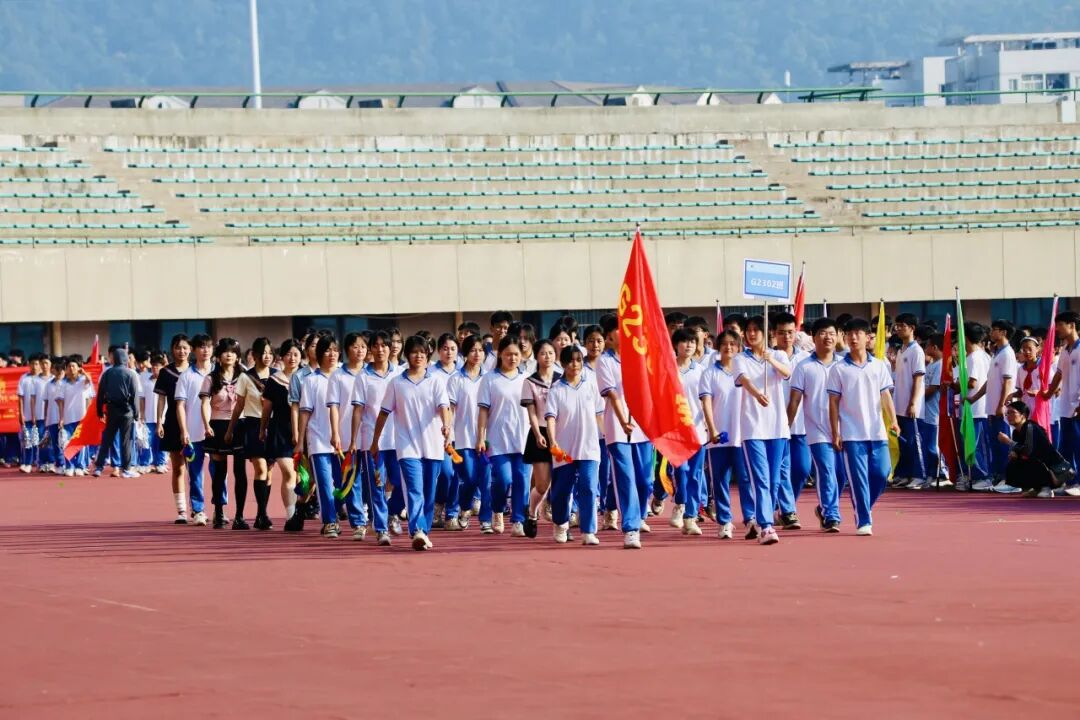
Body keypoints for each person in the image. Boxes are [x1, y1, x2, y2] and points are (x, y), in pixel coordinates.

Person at [370, 335, 452, 551]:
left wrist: (446, 426)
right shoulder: (396, 383)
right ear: (407, 355)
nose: (418, 356)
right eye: (414, 352)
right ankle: (417, 530)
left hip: (432, 445)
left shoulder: (435, 381)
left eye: (422, 353)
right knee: (415, 489)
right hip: (407, 445)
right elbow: (383, 413)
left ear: (428, 356)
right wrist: (375, 441)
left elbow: (444, 407)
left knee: (429, 492)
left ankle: (424, 531)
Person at [828, 318, 900, 536]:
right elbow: (833, 402)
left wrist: (893, 420)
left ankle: (864, 506)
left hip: (877, 431)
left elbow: (885, 395)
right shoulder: (838, 369)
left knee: (881, 473)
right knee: (858, 479)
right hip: (852, 433)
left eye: (858, 333)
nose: (853, 337)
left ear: (868, 337)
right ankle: (863, 520)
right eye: (849, 333)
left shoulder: (878, 365)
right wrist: (835, 431)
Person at [596, 314, 655, 549]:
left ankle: (639, 516)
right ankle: (630, 528)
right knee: (626, 478)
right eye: (619, 329)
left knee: (645, 480)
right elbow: (612, 393)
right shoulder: (605, 361)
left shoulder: (641, 356)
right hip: (618, 428)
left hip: (643, 428)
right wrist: (622, 421)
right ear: (610, 336)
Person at [733, 314, 792, 545]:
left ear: (766, 333)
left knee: (774, 479)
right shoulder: (740, 358)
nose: (751, 333)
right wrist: (757, 395)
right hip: (753, 427)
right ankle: (766, 526)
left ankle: (761, 518)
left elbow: (787, 373)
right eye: (748, 330)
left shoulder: (778, 355)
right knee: (761, 478)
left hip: (777, 427)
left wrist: (771, 360)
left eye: (756, 329)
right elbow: (744, 380)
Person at [347, 330, 403, 543]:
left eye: (384, 345)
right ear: (371, 349)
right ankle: (381, 528)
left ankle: (392, 512)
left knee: (400, 480)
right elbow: (358, 410)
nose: (380, 350)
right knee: (377, 485)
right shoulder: (363, 376)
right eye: (376, 346)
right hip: (372, 440)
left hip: (399, 439)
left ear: (391, 348)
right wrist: (353, 440)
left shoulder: (400, 373)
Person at [788, 317, 843, 531]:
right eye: (822, 333)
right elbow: (795, 400)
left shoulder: (844, 364)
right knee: (827, 471)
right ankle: (831, 515)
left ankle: (824, 507)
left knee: (841, 475)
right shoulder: (804, 366)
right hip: (817, 429)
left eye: (831, 333)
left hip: (845, 429)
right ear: (814, 337)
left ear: (838, 336)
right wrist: (786, 426)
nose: (827, 337)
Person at [545, 345, 603, 545]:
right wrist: (553, 441)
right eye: (570, 361)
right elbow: (551, 418)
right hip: (564, 449)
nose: (575, 364)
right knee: (562, 489)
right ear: (563, 364)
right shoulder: (556, 389)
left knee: (588, 486)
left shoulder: (591, 385)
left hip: (589, 447)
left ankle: (588, 531)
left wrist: (608, 435)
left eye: (579, 360)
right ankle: (561, 523)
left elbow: (600, 414)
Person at [476, 335, 530, 537]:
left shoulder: (527, 378)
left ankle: (518, 520)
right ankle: (497, 509)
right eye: (508, 354)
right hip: (498, 439)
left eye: (516, 354)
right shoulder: (489, 379)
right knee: (503, 480)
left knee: (522, 480)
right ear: (500, 355)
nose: (512, 358)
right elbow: (483, 411)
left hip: (523, 439)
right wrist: (480, 437)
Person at [701, 329, 752, 540]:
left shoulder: (746, 371)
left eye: (733, 344)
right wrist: (711, 428)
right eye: (724, 344)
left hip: (743, 435)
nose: (728, 347)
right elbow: (706, 403)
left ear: (739, 347)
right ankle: (724, 521)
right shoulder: (709, 373)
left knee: (746, 479)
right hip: (719, 436)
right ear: (718, 347)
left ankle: (750, 518)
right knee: (720, 479)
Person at [228, 338, 277, 530]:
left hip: (273, 426)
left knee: (269, 472)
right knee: (261, 468)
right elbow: (239, 405)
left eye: (270, 353)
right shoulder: (245, 377)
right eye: (263, 352)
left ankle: (260, 515)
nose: (267, 356)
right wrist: (230, 429)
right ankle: (262, 514)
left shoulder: (277, 376)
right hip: (254, 425)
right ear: (254, 355)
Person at [296, 334, 342, 538]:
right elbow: (305, 411)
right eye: (327, 350)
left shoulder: (344, 377)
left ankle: (336, 512)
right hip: (318, 439)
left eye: (335, 350)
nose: (332, 354)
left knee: (343, 484)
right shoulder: (311, 380)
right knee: (324, 483)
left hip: (343, 441)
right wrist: (300, 441)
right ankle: (330, 521)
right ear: (319, 353)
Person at [201, 338, 246, 529]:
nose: (229, 355)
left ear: (238, 356)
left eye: (233, 352)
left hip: (240, 425)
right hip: (217, 425)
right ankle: (218, 511)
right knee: (219, 472)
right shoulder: (211, 378)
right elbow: (205, 403)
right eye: (225, 352)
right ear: (218, 356)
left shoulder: (244, 376)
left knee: (240, 471)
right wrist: (206, 424)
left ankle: (240, 515)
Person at [327, 332, 368, 539]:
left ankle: (374, 518)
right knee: (350, 480)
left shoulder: (370, 373)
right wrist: (335, 432)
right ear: (347, 349)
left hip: (369, 436)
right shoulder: (338, 375)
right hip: (345, 436)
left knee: (371, 481)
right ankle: (358, 523)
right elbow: (334, 407)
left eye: (363, 346)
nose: (360, 350)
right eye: (355, 346)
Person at [448, 334, 489, 531]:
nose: (477, 354)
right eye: (473, 350)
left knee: (486, 481)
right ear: (465, 353)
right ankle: (465, 507)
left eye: (480, 350)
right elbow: (450, 409)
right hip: (463, 437)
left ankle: (486, 520)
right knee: (470, 479)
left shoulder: (489, 378)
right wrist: (448, 433)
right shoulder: (456, 379)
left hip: (487, 437)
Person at [260, 339, 301, 529]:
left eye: (296, 354)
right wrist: (262, 428)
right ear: (282, 357)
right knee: (289, 472)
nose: (292, 358)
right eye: (288, 354)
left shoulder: (306, 378)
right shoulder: (274, 381)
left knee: (301, 476)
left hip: (303, 431)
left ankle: (300, 510)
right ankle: (291, 515)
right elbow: (267, 408)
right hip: (280, 431)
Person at [174, 334, 215, 526]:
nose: (205, 350)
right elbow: (180, 405)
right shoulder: (186, 376)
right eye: (201, 347)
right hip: (194, 431)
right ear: (194, 350)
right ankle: (198, 510)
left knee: (218, 471)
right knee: (196, 473)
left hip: (217, 430)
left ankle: (220, 508)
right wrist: (184, 430)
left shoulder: (219, 373)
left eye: (208, 346)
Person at [522, 338, 560, 538]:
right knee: (543, 484)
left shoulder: (562, 379)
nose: (548, 357)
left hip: (562, 433)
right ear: (536, 356)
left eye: (551, 353)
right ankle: (532, 512)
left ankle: (562, 524)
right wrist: (537, 434)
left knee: (562, 482)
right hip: (541, 434)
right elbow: (532, 412)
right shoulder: (530, 382)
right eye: (543, 353)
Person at [670, 327, 706, 534]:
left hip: (697, 429)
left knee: (695, 474)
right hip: (675, 430)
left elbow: (707, 400)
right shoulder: (668, 369)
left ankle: (690, 517)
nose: (689, 345)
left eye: (692, 341)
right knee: (681, 471)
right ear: (676, 345)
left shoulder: (701, 371)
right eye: (684, 341)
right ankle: (680, 502)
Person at [998, 400, 1073, 497]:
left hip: (1056, 471)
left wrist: (1009, 441)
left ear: (1023, 415)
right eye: (1007, 413)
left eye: (1012, 412)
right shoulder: (1016, 432)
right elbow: (1019, 450)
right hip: (1043, 467)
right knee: (1014, 463)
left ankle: (1046, 487)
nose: (1009, 416)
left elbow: (1028, 451)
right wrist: (1014, 453)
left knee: (1030, 460)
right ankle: (1036, 488)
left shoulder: (1030, 427)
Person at [155, 334, 191, 523]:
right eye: (178, 347)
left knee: (195, 468)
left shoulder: (196, 371)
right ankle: (181, 510)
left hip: (193, 423)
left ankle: (198, 508)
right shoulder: (166, 372)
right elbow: (161, 399)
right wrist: (159, 421)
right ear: (172, 349)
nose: (181, 351)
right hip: (172, 422)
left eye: (185, 347)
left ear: (190, 349)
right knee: (178, 467)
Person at [92, 347, 140, 479]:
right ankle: (126, 469)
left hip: (112, 410)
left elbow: (100, 393)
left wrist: (99, 410)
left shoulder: (107, 373)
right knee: (125, 441)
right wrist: (136, 413)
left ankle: (98, 467)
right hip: (127, 411)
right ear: (125, 358)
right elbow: (135, 395)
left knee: (107, 439)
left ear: (114, 358)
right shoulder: (130, 374)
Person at [891, 313, 927, 488]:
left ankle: (919, 475)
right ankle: (905, 474)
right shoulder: (901, 351)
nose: (898, 329)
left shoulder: (916, 351)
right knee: (903, 442)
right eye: (897, 326)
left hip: (912, 406)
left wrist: (913, 402)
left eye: (902, 326)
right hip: (899, 405)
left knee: (914, 442)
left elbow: (918, 378)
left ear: (912, 328)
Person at [986, 319, 1018, 492]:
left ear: (1004, 332)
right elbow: (990, 381)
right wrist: (974, 398)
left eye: (995, 329)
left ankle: (1010, 480)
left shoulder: (1007, 354)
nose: (991, 332)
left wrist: (1001, 405)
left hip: (1002, 409)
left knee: (1004, 443)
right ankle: (999, 477)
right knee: (995, 445)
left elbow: (1008, 382)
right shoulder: (996, 353)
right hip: (992, 407)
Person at [916, 332, 945, 488]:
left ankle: (939, 474)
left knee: (932, 446)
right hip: (926, 412)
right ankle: (930, 473)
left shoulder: (941, 365)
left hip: (934, 413)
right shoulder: (932, 364)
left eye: (927, 346)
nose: (925, 348)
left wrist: (916, 397)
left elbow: (933, 388)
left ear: (934, 347)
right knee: (927, 445)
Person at [57, 355, 94, 477]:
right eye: (69, 366)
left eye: (73, 366)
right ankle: (69, 466)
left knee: (80, 443)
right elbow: (60, 402)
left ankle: (80, 466)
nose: (71, 368)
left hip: (81, 417)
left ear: (79, 368)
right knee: (67, 443)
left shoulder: (83, 381)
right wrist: (61, 417)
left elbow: (89, 381)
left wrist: (83, 372)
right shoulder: (63, 383)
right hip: (68, 418)